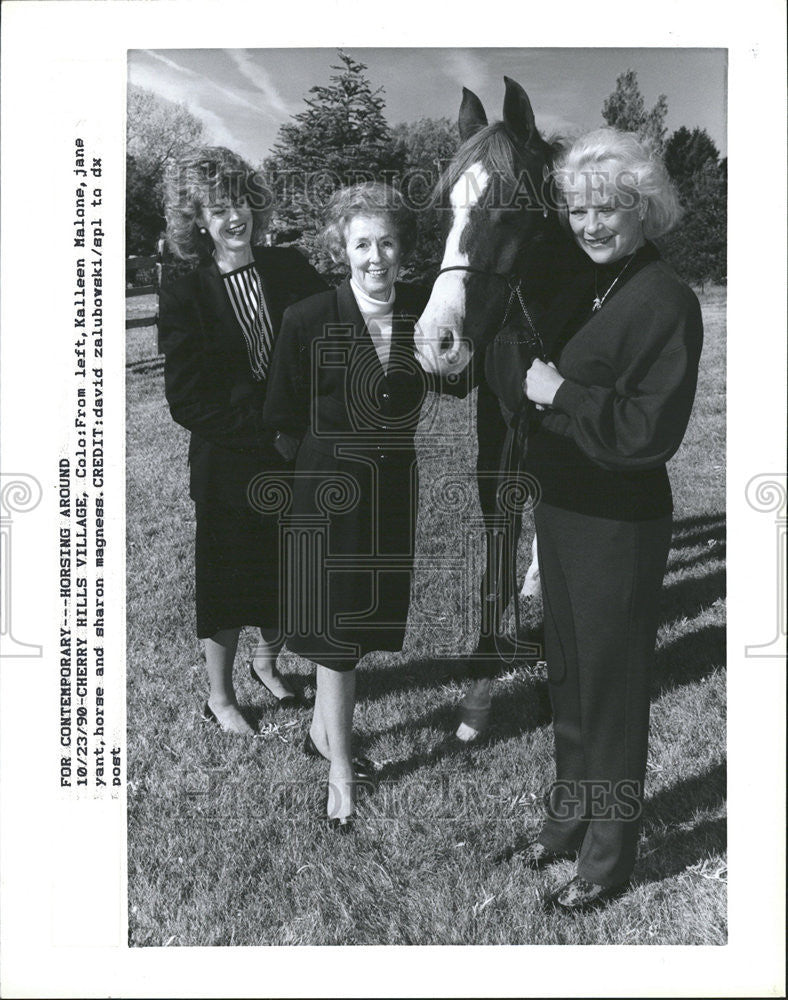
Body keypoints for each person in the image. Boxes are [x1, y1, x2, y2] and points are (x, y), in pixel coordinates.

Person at [485, 128, 703, 909]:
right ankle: (566, 823)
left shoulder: (666, 301)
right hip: (564, 510)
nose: (588, 225)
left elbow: (648, 434)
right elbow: (521, 370)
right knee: (572, 682)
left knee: (611, 695)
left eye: (606, 209)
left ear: (643, 206)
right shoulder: (585, 282)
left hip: (619, 523)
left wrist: (560, 395)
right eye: (577, 210)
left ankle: (608, 861)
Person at [264, 182, 469, 829]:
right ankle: (341, 770)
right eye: (361, 243)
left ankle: (323, 735)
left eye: (386, 243)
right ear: (340, 248)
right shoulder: (307, 318)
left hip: (389, 493)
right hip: (326, 493)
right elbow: (280, 420)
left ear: (404, 251)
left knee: (355, 627)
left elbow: (457, 378)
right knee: (337, 636)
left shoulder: (420, 310)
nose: (374, 256)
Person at [158, 146, 326, 735]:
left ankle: (267, 664)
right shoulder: (186, 293)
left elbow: (331, 331)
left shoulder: (289, 269)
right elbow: (187, 400)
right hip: (230, 462)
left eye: (241, 202)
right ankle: (221, 697)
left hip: (294, 454)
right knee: (229, 582)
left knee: (283, 572)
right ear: (197, 220)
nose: (235, 217)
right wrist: (268, 437)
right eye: (217, 207)